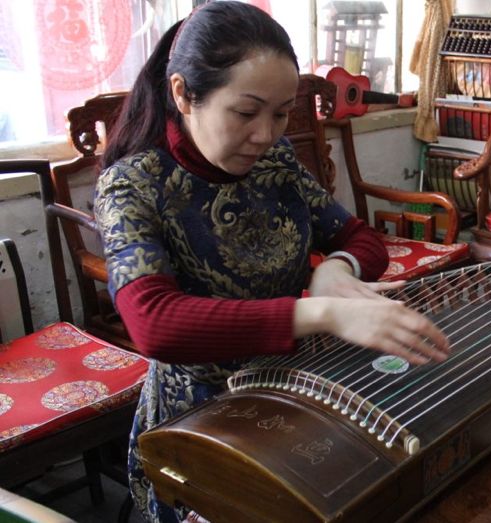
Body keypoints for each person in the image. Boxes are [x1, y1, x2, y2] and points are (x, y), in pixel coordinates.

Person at [93, 3, 449, 521]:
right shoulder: (133, 185)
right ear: (183, 94)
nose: (265, 134)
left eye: (280, 113)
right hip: (204, 417)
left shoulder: (274, 161)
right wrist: (321, 313)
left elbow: (359, 236)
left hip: (295, 387)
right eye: (245, 112)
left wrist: (336, 268)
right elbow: (155, 323)